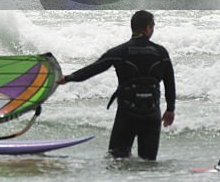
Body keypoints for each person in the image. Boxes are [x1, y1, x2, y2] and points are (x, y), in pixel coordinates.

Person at [59, 10, 176, 160]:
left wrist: (68, 78)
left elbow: (94, 69)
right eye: (152, 26)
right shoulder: (161, 53)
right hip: (151, 113)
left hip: (127, 114)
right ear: (147, 28)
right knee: (148, 164)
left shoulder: (119, 51)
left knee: (116, 161)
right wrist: (170, 109)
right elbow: (170, 81)